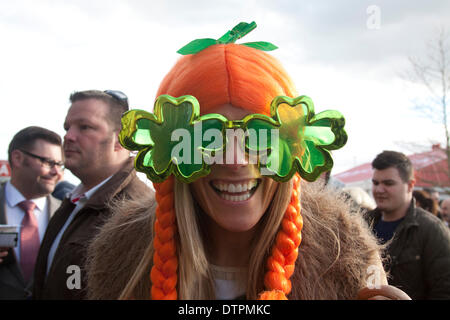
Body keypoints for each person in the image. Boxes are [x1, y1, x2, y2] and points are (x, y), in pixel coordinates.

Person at [86, 22, 410, 300]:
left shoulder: (346, 255)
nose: (236, 160)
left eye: (259, 137)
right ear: (173, 151)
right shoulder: (120, 256)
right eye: (208, 138)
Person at [32, 90, 151, 299]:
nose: (68, 136)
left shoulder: (137, 210)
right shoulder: (73, 201)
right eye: (67, 128)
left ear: (121, 139)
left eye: (85, 127)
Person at [367, 150, 450, 299]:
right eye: (375, 183)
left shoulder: (432, 231)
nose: (379, 189)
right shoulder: (360, 226)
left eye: (388, 183)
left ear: (410, 185)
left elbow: (444, 290)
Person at [0, 126, 63, 299]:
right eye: (48, 162)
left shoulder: (67, 214)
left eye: (60, 164)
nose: (56, 172)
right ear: (17, 158)